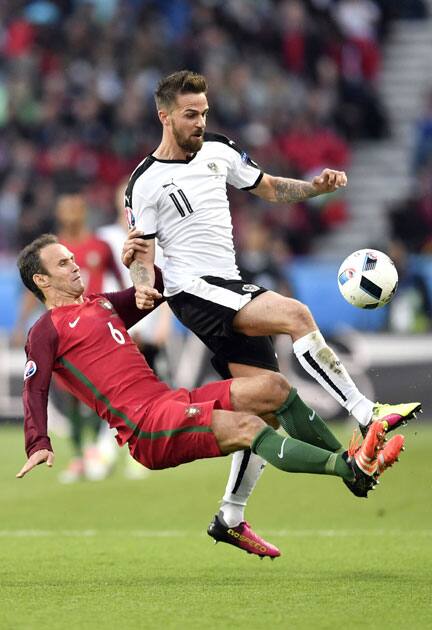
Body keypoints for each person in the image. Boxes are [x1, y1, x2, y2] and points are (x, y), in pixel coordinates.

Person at [120, 70, 422, 557]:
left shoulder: (218, 149)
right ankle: (367, 415)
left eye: (204, 113)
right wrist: (140, 290)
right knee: (297, 315)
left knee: (268, 401)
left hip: (228, 282)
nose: (200, 122)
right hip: (196, 292)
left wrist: (314, 189)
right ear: (165, 116)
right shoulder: (145, 183)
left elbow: (267, 187)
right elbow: (140, 251)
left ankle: (230, 516)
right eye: (190, 115)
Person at [16, 234, 406, 559]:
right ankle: (349, 469)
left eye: (72, 258)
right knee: (250, 427)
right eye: (64, 263)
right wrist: (38, 442)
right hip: (146, 427)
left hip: (169, 400)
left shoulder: (100, 305)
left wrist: (141, 255)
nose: (75, 265)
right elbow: (34, 386)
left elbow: (157, 285)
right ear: (43, 280)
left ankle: (352, 462)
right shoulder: (45, 330)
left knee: (273, 388)